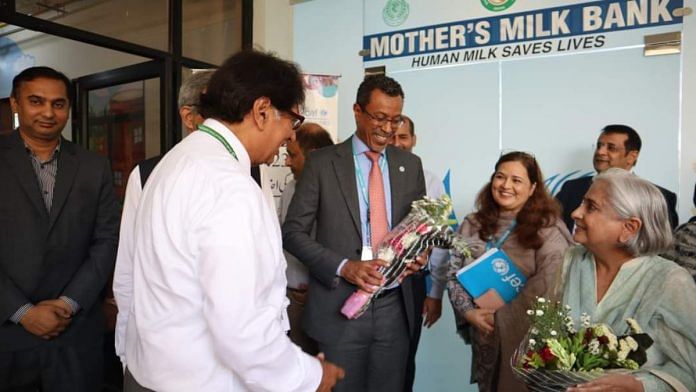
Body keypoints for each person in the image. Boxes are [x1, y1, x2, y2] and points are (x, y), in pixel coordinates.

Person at [115, 50, 343, 391]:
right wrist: (310, 377)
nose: (292, 136)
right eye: (292, 120)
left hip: (153, 371)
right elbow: (240, 328)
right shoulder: (229, 187)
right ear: (262, 111)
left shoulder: (175, 162)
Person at [282, 74, 426, 392]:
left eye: (395, 119)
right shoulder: (321, 164)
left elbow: (419, 231)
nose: (388, 129)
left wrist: (420, 254)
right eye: (379, 118)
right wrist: (344, 266)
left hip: (394, 307)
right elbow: (292, 232)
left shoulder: (410, 166)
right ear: (357, 111)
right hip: (339, 308)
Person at [0, 66, 120, 391]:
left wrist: (68, 302)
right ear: (15, 103)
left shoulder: (94, 166)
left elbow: (106, 240)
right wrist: (23, 312)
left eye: (58, 104)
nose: (48, 113)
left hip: (75, 333)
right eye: (36, 101)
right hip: (7, 335)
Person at [555, 169, 696, 392]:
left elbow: (691, 370)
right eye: (582, 203)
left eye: (591, 207)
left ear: (629, 228)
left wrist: (641, 386)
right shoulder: (573, 261)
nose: (575, 213)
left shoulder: (669, 281)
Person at [112, 69, 213, 369]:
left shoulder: (251, 172)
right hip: (164, 350)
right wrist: (125, 347)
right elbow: (128, 267)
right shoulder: (145, 175)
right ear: (189, 117)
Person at [447, 151, 573, 392]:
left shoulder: (548, 227)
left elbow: (550, 280)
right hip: (484, 333)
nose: (505, 186)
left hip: (528, 339)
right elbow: (454, 273)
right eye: (500, 177)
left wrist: (503, 316)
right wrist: (469, 313)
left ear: (533, 187)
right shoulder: (473, 223)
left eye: (517, 180)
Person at [390, 114, 448, 391]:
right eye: (393, 136)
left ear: (414, 140)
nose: (397, 143)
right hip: (372, 280)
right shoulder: (367, 175)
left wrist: (434, 294)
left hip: (411, 283)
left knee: (404, 361)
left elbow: (436, 244)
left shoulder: (430, 181)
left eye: (404, 137)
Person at [556, 124, 678, 231]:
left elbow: (660, 246)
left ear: (631, 156)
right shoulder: (571, 188)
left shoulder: (658, 197)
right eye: (599, 146)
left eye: (611, 148)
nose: (600, 152)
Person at [280, 122, 334, 354]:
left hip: (323, 299)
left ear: (312, 156)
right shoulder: (290, 188)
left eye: (292, 155)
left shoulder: (337, 192)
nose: (287, 162)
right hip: (290, 299)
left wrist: (317, 289)